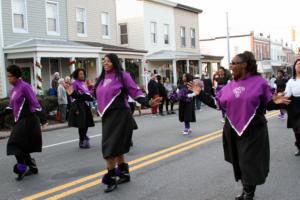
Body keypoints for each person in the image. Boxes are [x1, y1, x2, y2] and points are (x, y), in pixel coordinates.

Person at [188, 51, 290, 200]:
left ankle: (249, 194)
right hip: (232, 130)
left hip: (253, 130)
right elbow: (217, 104)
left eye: (234, 63)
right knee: (239, 162)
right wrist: (200, 94)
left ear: (245, 65)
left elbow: (268, 103)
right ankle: (245, 190)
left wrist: (275, 103)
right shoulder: (229, 86)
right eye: (231, 63)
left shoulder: (259, 82)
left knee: (248, 162)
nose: (231, 66)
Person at [90, 53, 160, 193]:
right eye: (104, 61)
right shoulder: (101, 79)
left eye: (108, 61)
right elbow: (92, 94)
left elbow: (135, 92)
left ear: (114, 62)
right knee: (116, 148)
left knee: (109, 149)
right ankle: (124, 174)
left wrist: (148, 102)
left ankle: (111, 179)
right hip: (107, 117)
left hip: (121, 115)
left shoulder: (123, 76)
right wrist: (73, 93)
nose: (105, 63)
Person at [0, 65, 48, 181]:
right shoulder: (13, 90)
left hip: (29, 120)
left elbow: (35, 103)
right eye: (7, 76)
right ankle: (32, 167)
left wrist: (43, 120)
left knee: (14, 144)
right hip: (19, 121)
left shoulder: (25, 87)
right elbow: (11, 107)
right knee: (23, 147)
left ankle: (22, 168)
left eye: (10, 76)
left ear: (16, 76)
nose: (8, 78)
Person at [67, 68, 95, 149]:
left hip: (86, 105)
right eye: (80, 74)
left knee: (86, 123)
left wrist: (92, 90)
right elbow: (73, 97)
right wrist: (75, 109)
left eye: (83, 74)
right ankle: (81, 140)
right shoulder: (74, 83)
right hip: (79, 105)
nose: (82, 75)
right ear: (77, 75)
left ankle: (84, 137)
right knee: (81, 124)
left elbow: (88, 93)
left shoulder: (84, 83)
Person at [284, 59, 300, 156]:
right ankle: (299, 146)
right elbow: (287, 94)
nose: (299, 65)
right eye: (297, 64)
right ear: (294, 67)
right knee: (296, 130)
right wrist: (280, 97)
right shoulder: (291, 81)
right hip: (294, 106)